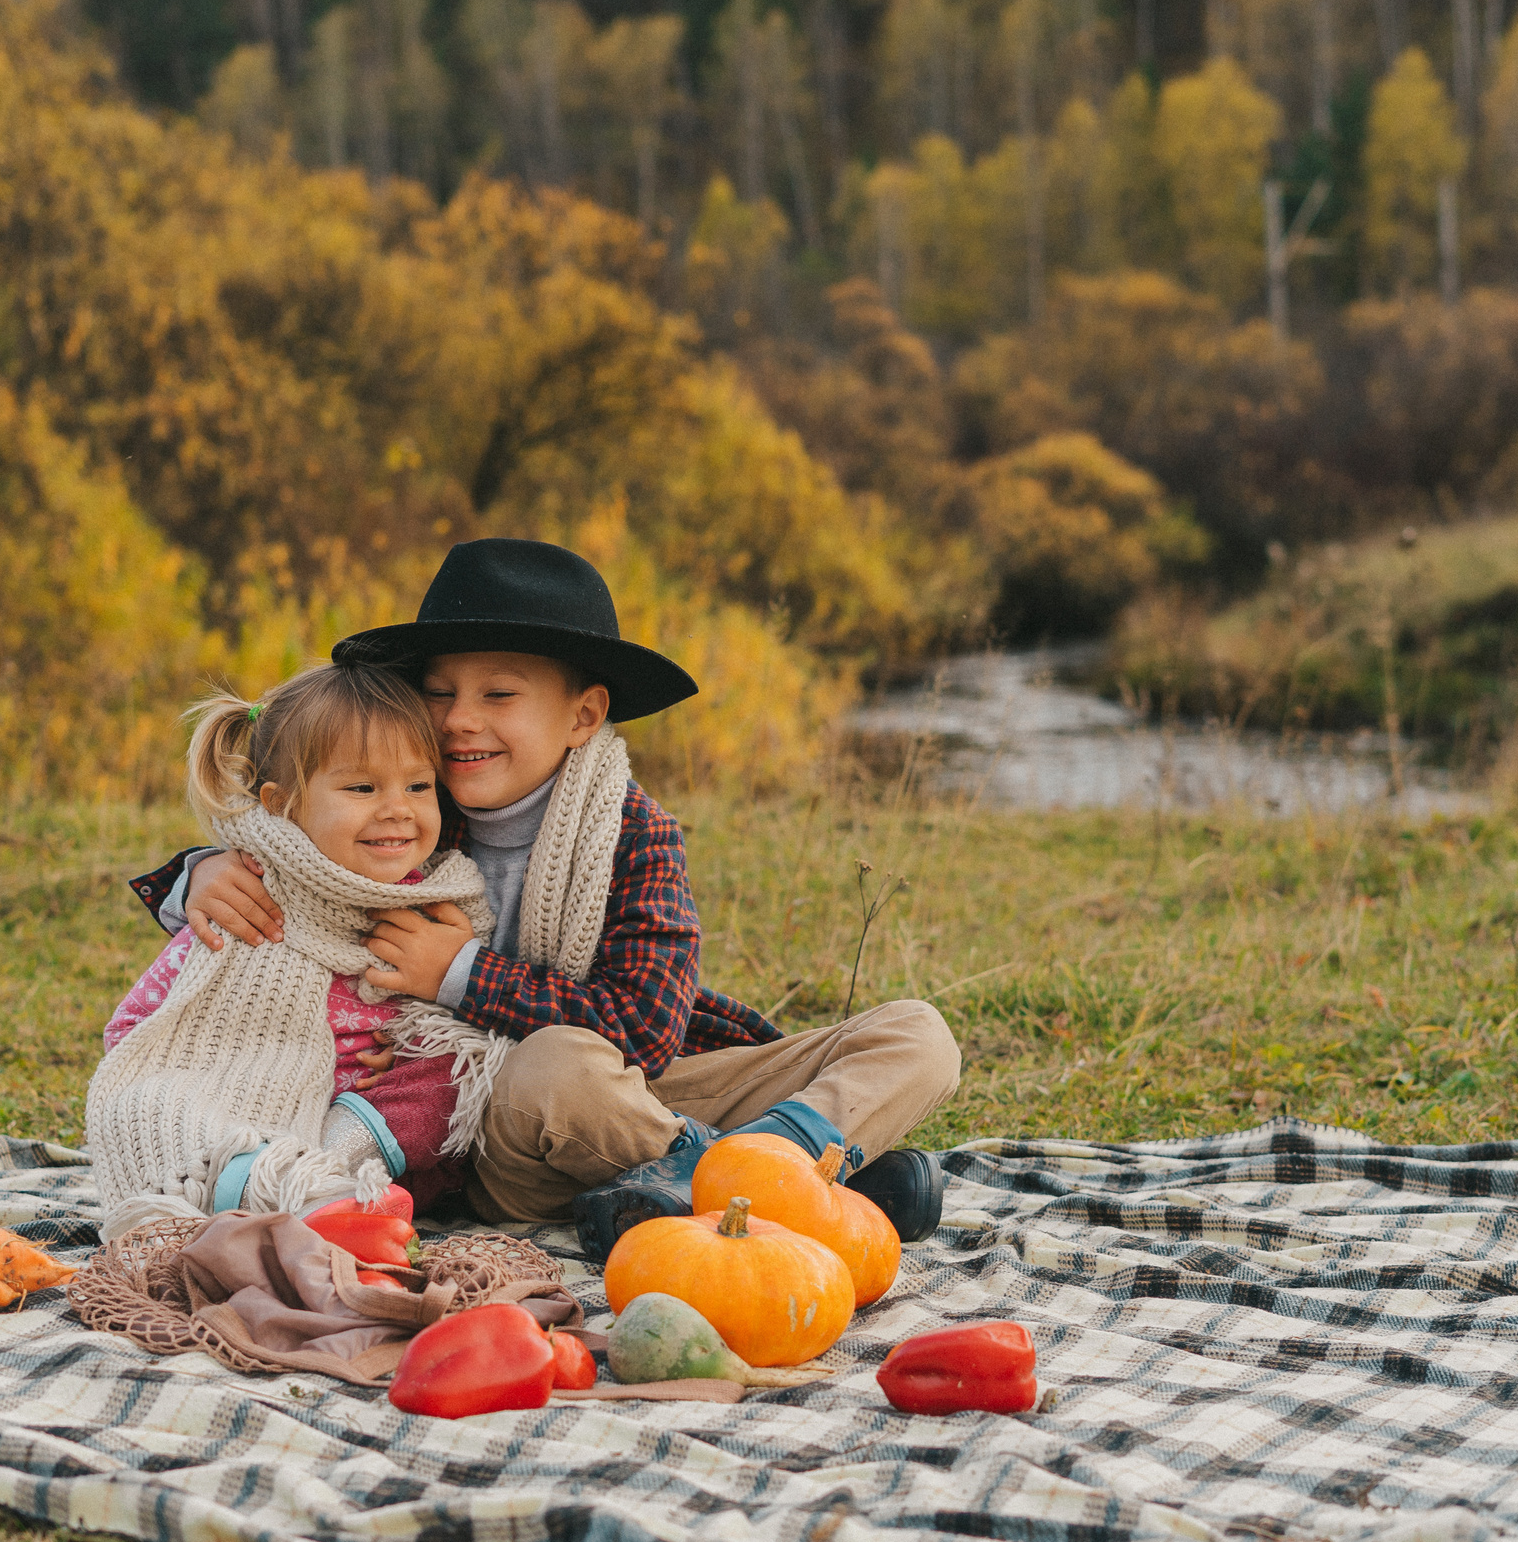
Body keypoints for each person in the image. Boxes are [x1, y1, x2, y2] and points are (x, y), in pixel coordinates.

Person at [127, 538, 962, 1258]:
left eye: (499, 694)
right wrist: (198, 873)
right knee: (554, 1066)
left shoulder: (632, 833)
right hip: (496, 1123)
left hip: (643, 1091)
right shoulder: (409, 807)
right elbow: (297, 833)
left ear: (582, 715)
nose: (460, 720)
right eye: (441, 691)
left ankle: (747, 1166)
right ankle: (792, 1188)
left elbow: (645, 1031)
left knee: (918, 1034)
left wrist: (458, 973)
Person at [89, 661, 514, 1244]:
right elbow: (138, 1030)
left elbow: (459, 1016)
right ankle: (267, 1183)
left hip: (372, 1123)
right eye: (362, 788)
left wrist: (415, 1044)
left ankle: (328, 1177)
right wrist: (198, 1076)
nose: (398, 808)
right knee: (144, 1102)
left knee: (461, 1069)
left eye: (418, 786)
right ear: (283, 803)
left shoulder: (441, 904)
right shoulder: (250, 899)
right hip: (248, 1112)